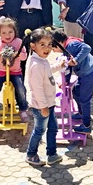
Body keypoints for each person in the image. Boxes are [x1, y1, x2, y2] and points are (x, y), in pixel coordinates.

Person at [24, 28, 64, 166]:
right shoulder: (36, 64)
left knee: (53, 128)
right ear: (33, 46)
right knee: (40, 130)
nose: (47, 48)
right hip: (41, 106)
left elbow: (48, 71)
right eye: (42, 44)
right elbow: (37, 88)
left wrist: (59, 65)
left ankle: (51, 154)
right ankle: (31, 154)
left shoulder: (42, 60)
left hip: (49, 103)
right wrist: (43, 106)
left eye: (49, 44)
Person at [52, 29, 93, 134]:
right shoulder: (66, 49)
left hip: (90, 74)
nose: (53, 51)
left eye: (53, 48)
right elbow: (68, 68)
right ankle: (82, 114)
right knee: (76, 93)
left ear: (59, 43)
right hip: (83, 75)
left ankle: (86, 125)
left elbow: (87, 48)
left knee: (84, 99)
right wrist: (65, 82)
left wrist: (76, 60)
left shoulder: (71, 45)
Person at [0, 17, 29, 123]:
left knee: (20, 89)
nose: (7, 35)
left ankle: (23, 109)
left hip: (15, 71)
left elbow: (24, 56)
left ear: (15, 31)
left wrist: (16, 54)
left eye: (10, 32)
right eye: (4, 33)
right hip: (0, 71)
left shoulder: (19, 42)